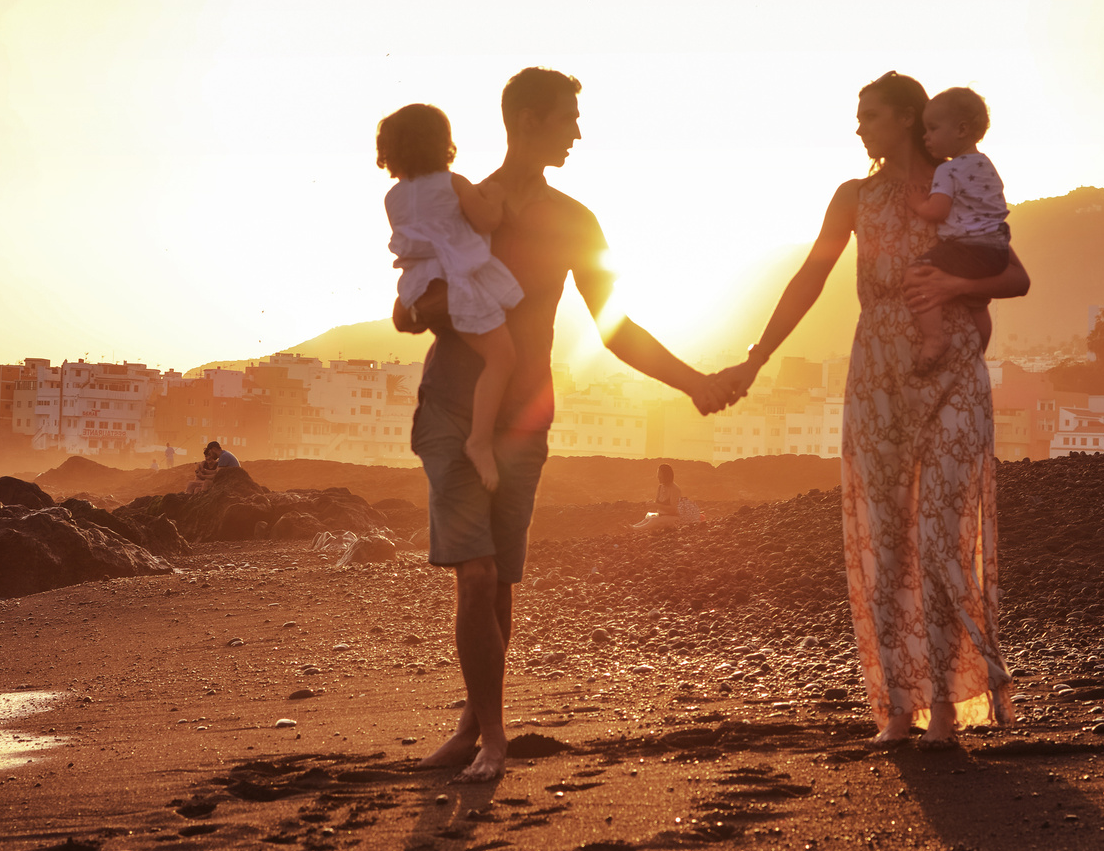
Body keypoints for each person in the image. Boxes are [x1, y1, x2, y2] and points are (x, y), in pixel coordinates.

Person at [393, 66, 731, 783]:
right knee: (475, 575)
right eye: (567, 117)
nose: (578, 131)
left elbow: (614, 327)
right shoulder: (457, 204)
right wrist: (440, 308)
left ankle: (472, 727)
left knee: (499, 578)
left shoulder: (576, 221)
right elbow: (406, 309)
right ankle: (493, 739)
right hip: (453, 407)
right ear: (527, 120)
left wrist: (693, 382)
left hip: (526, 417)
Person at [716, 71, 1030, 749]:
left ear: (908, 118)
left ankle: (948, 706)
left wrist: (952, 284)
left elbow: (1013, 273)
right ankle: (898, 705)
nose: (859, 127)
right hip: (879, 377)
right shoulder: (854, 197)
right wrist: (757, 356)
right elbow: (810, 276)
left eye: (871, 115)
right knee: (888, 542)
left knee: (942, 537)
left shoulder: (956, 182)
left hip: (952, 369)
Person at [379, 102, 522, 492]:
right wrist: (493, 196)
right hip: (456, 285)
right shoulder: (453, 183)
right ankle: (479, 440)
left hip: (417, 290)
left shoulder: (392, 198)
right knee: (502, 358)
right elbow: (487, 220)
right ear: (441, 143)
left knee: (457, 337)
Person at [905, 87, 1010, 376]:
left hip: (967, 246)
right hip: (997, 248)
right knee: (978, 305)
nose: (926, 136)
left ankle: (934, 338)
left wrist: (918, 203)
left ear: (961, 130)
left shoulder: (948, 170)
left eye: (933, 128)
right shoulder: (987, 165)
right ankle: (979, 352)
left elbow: (937, 210)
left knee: (917, 273)